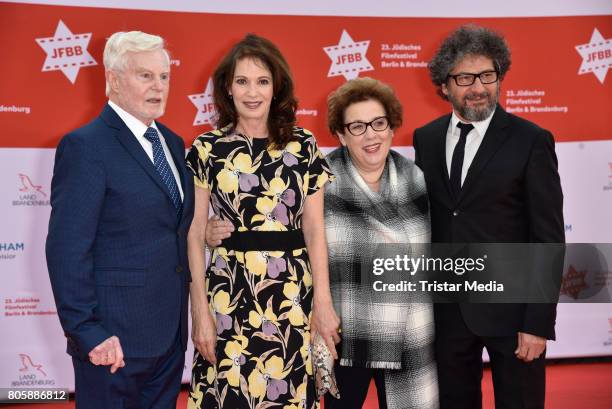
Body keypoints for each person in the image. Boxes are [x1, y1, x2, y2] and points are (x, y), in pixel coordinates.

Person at [207, 77, 439, 409]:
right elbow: (277, 229)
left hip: (408, 333)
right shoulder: (320, 180)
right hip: (341, 334)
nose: (370, 135)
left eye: (378, 123)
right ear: (341, 135)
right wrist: (209, 230)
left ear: (391, 127)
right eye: (357, 127)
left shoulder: (415, 177)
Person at [413, 25, 564, 409]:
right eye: (465, 78)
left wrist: (537, 322)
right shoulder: (425, 139)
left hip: (514, 316)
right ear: (444, 85)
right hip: (447, 316)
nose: (478, 87)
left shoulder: (531, 140)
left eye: (487, 75)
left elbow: (547, 238)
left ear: (500, 77)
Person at [186, 34, 338, 409]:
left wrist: (323, 301)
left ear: (277, 87)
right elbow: (192, 232)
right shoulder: (207, 148)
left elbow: (315, 231)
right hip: (228, 294)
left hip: (291, 297)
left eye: (262, 81)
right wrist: (199, 312)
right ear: (227, 87)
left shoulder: (303, 145)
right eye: (242, 81)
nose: (252, 92)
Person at [46, 31, 193, 408]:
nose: (158, 86)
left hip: (169, 339)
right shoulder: (86, 146)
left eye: (164, 76)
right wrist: (87, 332)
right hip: (112, 344)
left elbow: (166, 226)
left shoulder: (174, 144)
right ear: (112, 79)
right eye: (145, 75)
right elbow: (67, 249)